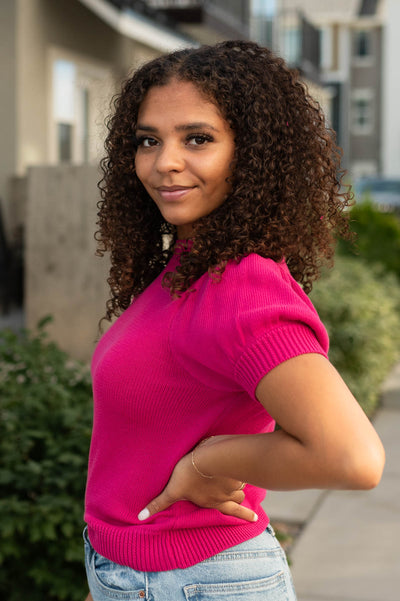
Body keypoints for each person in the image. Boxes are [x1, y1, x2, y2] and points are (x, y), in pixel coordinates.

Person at [83, 40, 385, 601]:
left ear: (251, 153)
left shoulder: (240, 285)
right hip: (141, 575)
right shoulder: (186, 267)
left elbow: (352, 457)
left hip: (197, 580)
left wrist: (206, 466)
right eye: (148, 140)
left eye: (197, 139)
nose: (164, 162)